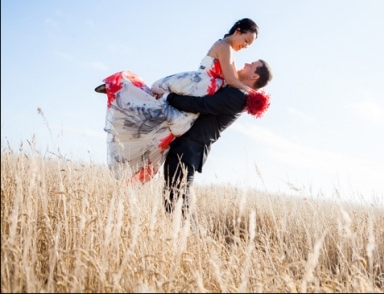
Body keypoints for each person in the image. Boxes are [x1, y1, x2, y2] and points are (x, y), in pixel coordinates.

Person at [96, 18, 260, 183]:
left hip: (203, 89)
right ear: (237, 31)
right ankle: (122, 89)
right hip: (198, 85)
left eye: (248, 45)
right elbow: (231, 80)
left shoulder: (230, 52)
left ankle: (125, 98)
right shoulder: (225, 47)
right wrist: (252, 92)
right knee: (159, 108)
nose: (245, 46)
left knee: (165, 118)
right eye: (246, 41)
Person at [163, 59, 273, 216]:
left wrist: (169, 97)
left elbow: (200, 104)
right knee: (173, 199)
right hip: (187, 146)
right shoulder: (234, 90)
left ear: (255, 76)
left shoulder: (237, 96)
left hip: (190, 148)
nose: (247, 63)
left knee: (178, 201)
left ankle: (191, 238)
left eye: (252, 65)